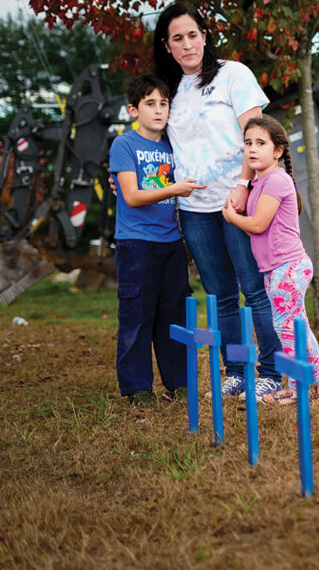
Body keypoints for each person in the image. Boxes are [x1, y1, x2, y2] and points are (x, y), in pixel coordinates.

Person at [152, 2, 284, 401]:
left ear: (205, 36)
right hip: (194, 209)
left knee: (255, 288)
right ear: (167, 45)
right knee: (220, 294)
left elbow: (258, 132)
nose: (187, 44)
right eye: (178, 38)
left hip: (237, 201)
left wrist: (244, 185)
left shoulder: (232, 75)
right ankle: (237, 371)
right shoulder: (169, 90)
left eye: (193, 34)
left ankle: (271, 372)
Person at [222, 115, 319, 405]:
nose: (252, 149)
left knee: (288, 328)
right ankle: (316, 382)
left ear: (277, 151)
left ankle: (306, 383)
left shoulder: (276, 180)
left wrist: (231, 217)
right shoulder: (262, 181)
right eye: (248, 143)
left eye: (260, 143)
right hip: (277, 268)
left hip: (287, 267)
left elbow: (258, 224)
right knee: (293, 326)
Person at [109, 74, 205, 406]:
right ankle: (137, 387)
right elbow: (133, 196)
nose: (159, 110)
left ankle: (178, 382)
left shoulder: (173, 147)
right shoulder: (125, 144)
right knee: (138, 314)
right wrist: (175, 189)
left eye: (163, 103)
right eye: (150, 103)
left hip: (171, 243)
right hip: (136, 243)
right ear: (133, 109)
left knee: (173, 314)